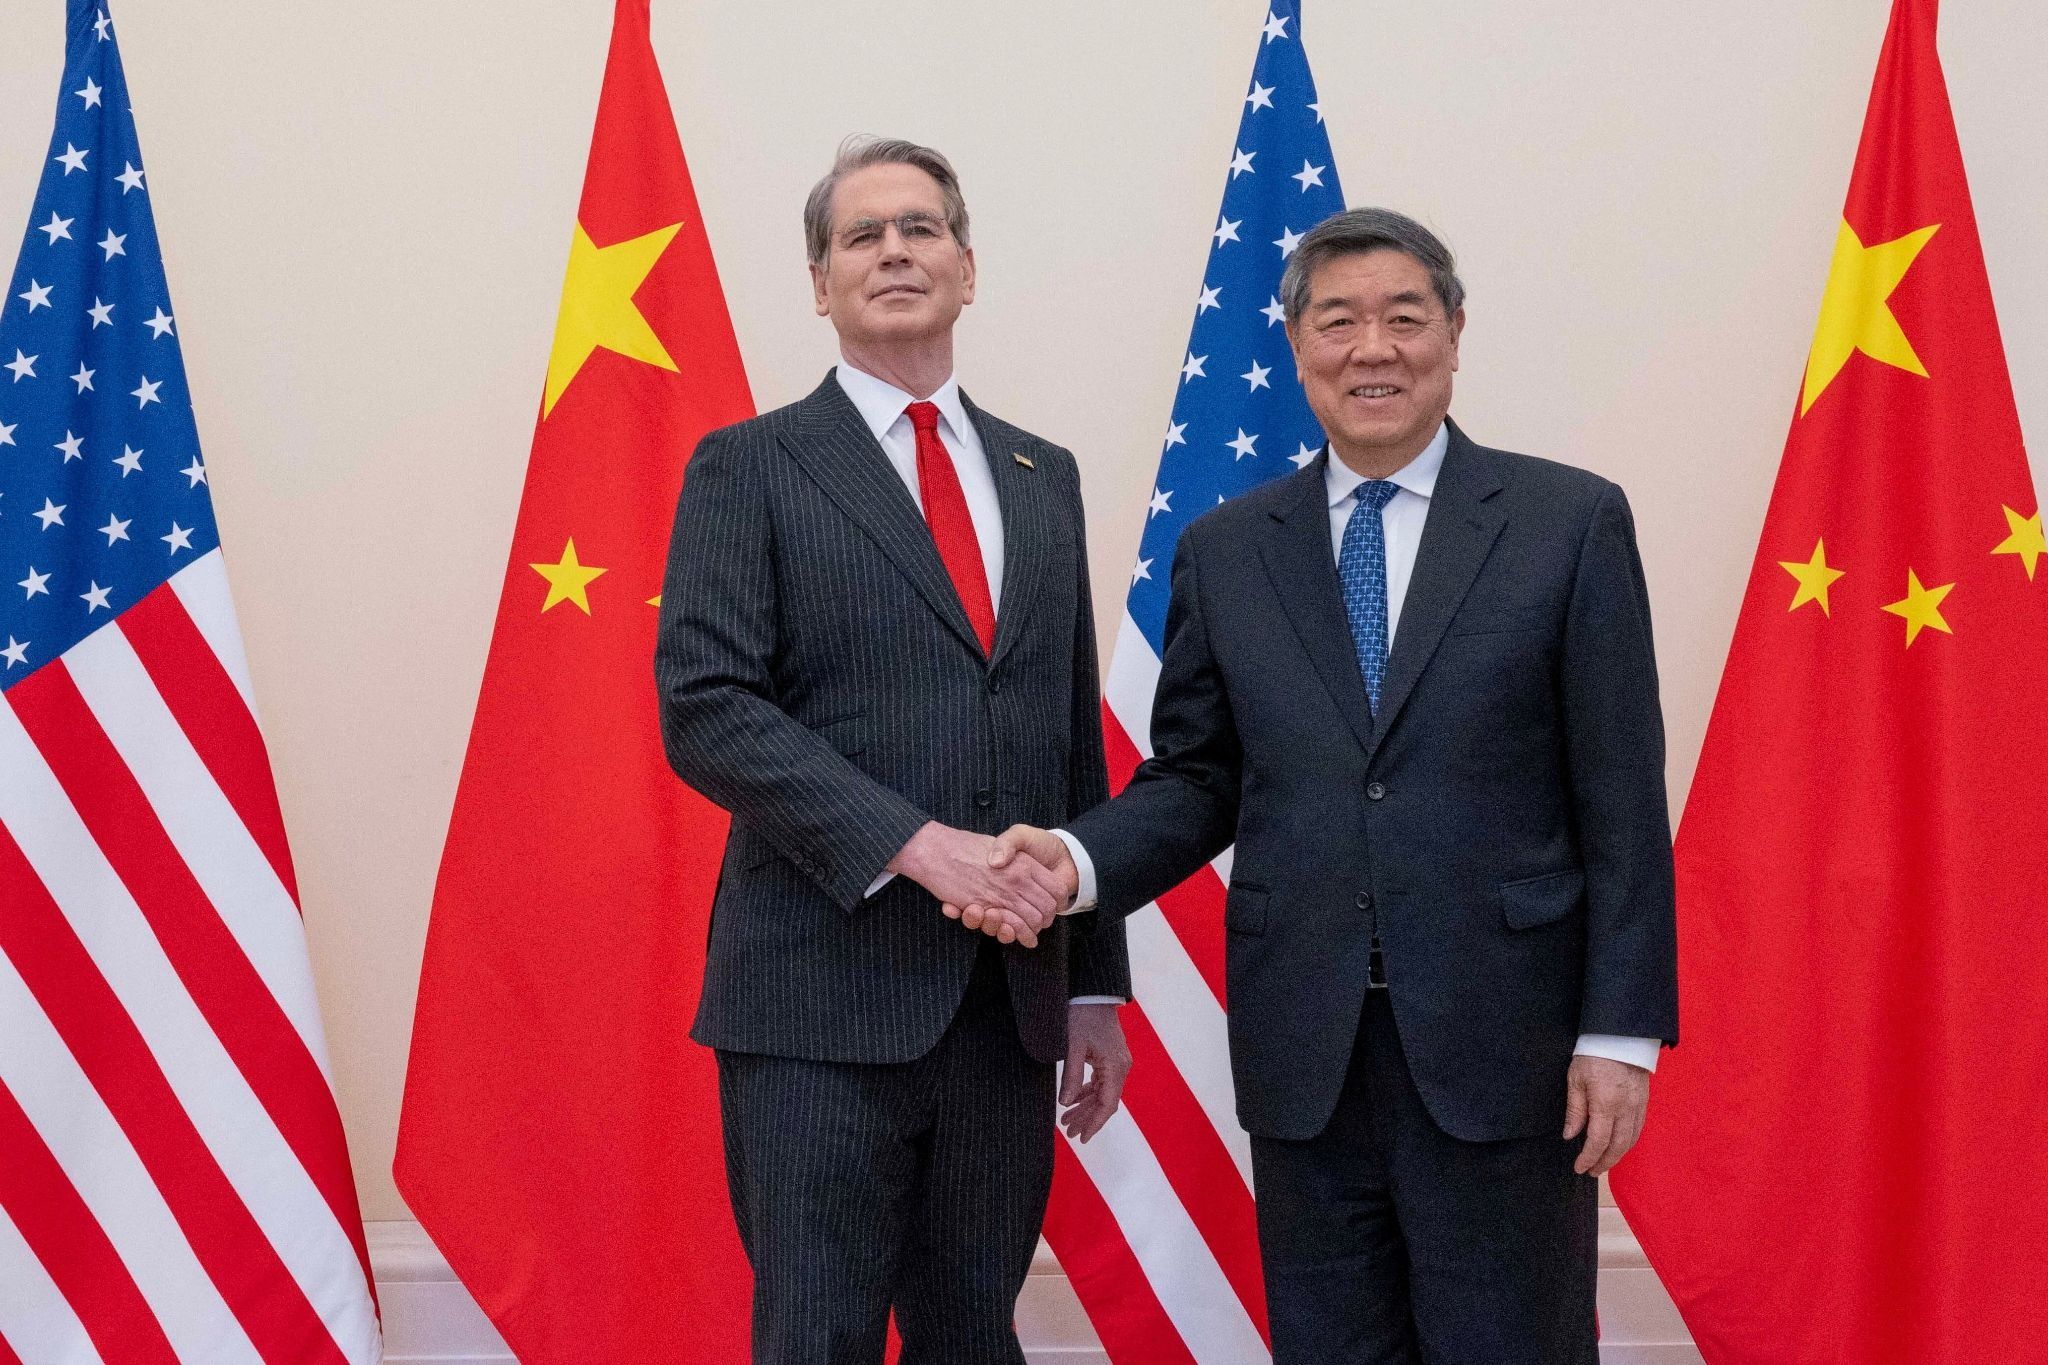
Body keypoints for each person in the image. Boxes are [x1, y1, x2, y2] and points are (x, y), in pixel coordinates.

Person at [971, 207, 1678, 1364]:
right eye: (1338, 322)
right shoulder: (1226, 548)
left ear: (1453, 334)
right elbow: (1196, 778)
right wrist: (1075, 860)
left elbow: (1620, 802)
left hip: (1508, 1046)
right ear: (1297, 347)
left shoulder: (1567, 524)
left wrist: (1620, 1032)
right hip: (1306, 1048)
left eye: (1403, 318)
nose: (1372, 349)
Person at [654, 135, 1132, 1365]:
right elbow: (706, 707)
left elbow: (1067, 738)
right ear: (821, 285)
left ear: (967, 268)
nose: (894, 251)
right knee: (816, 1336)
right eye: (860, 236)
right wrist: (917, 848)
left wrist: (1091, 985)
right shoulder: (748, 466)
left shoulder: (1042, 475)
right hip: (816, 1000)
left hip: (1006, 1006)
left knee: (973, 1336)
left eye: (920, 228)